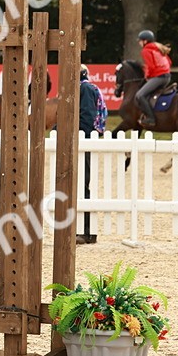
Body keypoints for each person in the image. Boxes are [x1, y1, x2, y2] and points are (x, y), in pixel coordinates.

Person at [77, 67, 105, 244]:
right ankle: (86, 230)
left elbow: (87, 117)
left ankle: (86, 231)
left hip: (84, 139)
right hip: (84, 138)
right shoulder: (85, 87)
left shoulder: (85, 89)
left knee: (82, 185)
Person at [135, 29, 171, 127]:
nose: (139, 42)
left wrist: (147, 77)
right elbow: (169, 62)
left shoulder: (146, 50)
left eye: (140, 40)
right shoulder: (158, 48)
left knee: (140, 95)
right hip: (167, 76)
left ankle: (151, 118)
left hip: (159, 77)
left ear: (145, 41)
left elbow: (151, 67)